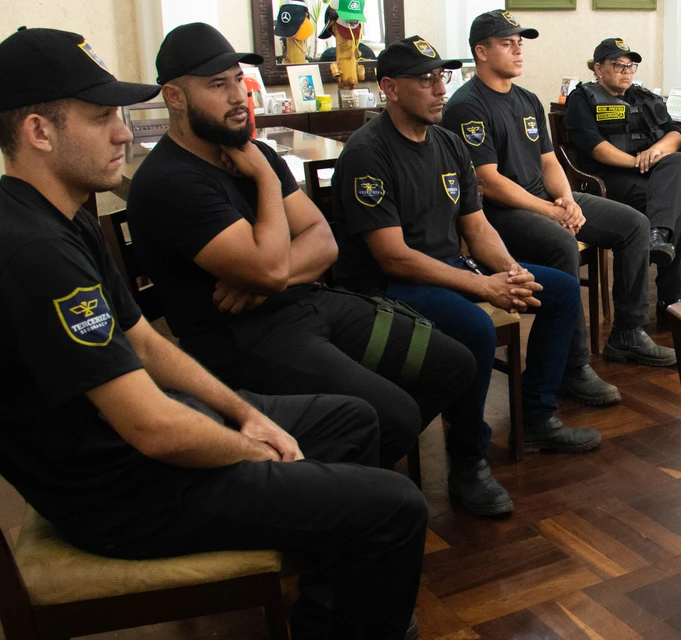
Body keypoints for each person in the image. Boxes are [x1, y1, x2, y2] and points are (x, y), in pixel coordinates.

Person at [0, 26, 425, 639]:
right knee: (398, 507)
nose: (123, 132)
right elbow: (152, 428)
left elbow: (145, 341)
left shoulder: (64, 217)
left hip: (140, 450)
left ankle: (329, 615)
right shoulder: (34, 252)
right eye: (100, 118)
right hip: (124, 494)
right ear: (40, 132)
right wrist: (252, 448)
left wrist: (243, 413)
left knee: (353, 421)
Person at [123, 23, 506, 516]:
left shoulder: (253, 152)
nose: (238, 96)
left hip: (310, 305)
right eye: (218, 85)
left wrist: (272, 276)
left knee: (452, 364)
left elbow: (322, 242)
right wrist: (266, 186)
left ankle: (345, 475)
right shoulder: (172, 180)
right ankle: (334, 501)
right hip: (244, 335)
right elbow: (268, 268)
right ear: (175, 96)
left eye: (238, 80)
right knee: (392, 412)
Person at [331, 38, 602, 476]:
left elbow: (477, 228)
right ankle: (468, 458)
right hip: (387, 286)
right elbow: (394, 258)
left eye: (442, 77)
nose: (441, 89)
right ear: (390, 88)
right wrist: (483, 286)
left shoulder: (448, 144)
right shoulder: (368, 153)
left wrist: (511, 272)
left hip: (448, 268)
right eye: (426, 80)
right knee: (475, 327)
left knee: (562, 291)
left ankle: (535, 418)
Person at [442, 10, 676, 409]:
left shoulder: (527, 98)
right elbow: (490, 181)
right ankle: (574, 365)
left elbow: (549, 161)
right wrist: (551, 212)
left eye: (520, 43)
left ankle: (627, 333)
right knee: (561, 244)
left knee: (635, 224)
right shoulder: (467, 105)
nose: (518, 50)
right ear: (481, 51)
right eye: (507, 43)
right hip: (499, 213)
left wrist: (566, 199)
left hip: (543, 200)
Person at [565, 37, 681, 313]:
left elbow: (675, 134)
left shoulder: (644, 96)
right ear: (598, 69)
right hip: (608, 180)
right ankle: (674, 300)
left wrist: (656, 150)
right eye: (618, 65)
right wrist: (636, 162)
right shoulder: (582, 98)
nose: (626, 71)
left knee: (679, 160)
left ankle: (657, 237)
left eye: (630, 66)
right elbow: (595, 147)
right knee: (676, 206)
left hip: (652, 174)